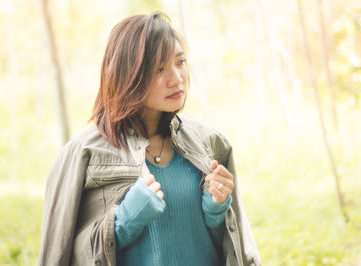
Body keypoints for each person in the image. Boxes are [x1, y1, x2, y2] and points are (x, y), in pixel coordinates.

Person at [38, 12, 261, 266]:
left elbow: (235, 247)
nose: (177, 78)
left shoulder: (211, 143)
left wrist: (216, 210)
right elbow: (61, 255)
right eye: (159, 68)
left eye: (180, 62)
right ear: (128, 76)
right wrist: (124, 221)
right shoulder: (83, 154)